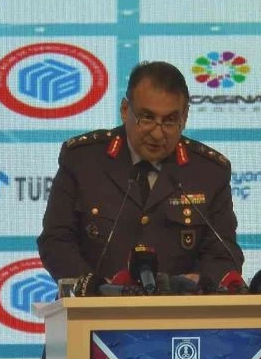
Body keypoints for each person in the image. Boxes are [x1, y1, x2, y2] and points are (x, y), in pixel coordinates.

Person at [36, 60, 244, 293]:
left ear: (184, 117)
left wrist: (200, 282)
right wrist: (94, 289)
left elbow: (225, 256)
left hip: (182, 311)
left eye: (169, 121)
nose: (157, 133)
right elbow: (56, 241)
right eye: (147, 118)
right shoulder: (83, 161)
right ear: (125, 110)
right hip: (96, 309)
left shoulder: (208, 172)